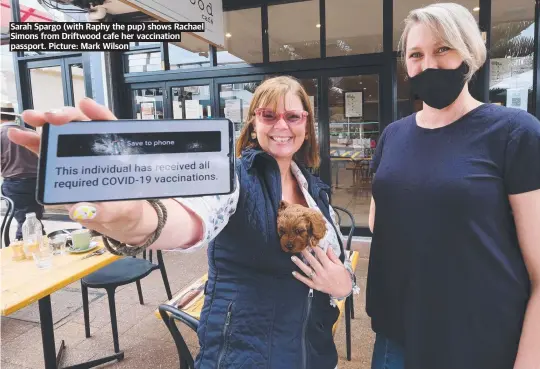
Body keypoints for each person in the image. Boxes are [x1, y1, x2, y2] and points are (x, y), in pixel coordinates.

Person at [8, 76, 358, 369]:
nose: (282, 125)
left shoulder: (313, 186)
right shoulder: (235, 177)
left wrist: (343, 285)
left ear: (307, 125)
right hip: (246, 352)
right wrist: (137, 218)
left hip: (311, 350)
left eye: (293, 117)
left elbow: (339, 264)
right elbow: (191, 219)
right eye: (269, 115)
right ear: (253, 122)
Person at [366, 3, 540, 369]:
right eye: (416, 54)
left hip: (480, 343)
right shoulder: (393, 136)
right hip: (396, 340)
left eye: (442, 48)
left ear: (470, 54)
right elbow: (379, 222)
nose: (428, 64)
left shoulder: (514, 133)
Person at [0, 101, 45, 240]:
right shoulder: (30, 132)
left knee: (26, 223)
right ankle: (41, 246)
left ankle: (26, 251)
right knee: (34, 220)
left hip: (15, 183)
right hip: (37, 182)